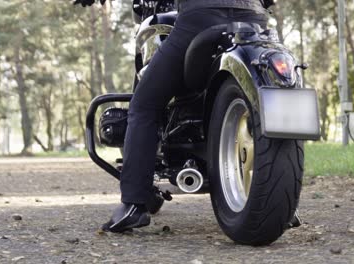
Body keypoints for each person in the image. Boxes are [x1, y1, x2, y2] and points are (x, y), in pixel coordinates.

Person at [75, 0, 269, 233]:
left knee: (144, 105)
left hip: (201, 16)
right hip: (254, 17)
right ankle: (278, 200)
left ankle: (133, 205)